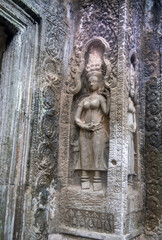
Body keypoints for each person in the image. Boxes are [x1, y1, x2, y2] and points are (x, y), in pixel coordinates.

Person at [75, 63, 110, 190]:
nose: (91, 83)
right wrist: (84, 126)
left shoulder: (101, 98)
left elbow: (106, 112)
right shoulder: (83, 100)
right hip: (84, 130)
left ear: (99, 82)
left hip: (98, 128)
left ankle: (97, 179)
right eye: (89, 81)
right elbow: (76, 118)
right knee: (84, 152)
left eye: (94, 81)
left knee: (97, 153)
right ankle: (84, 178)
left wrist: (109, 96)